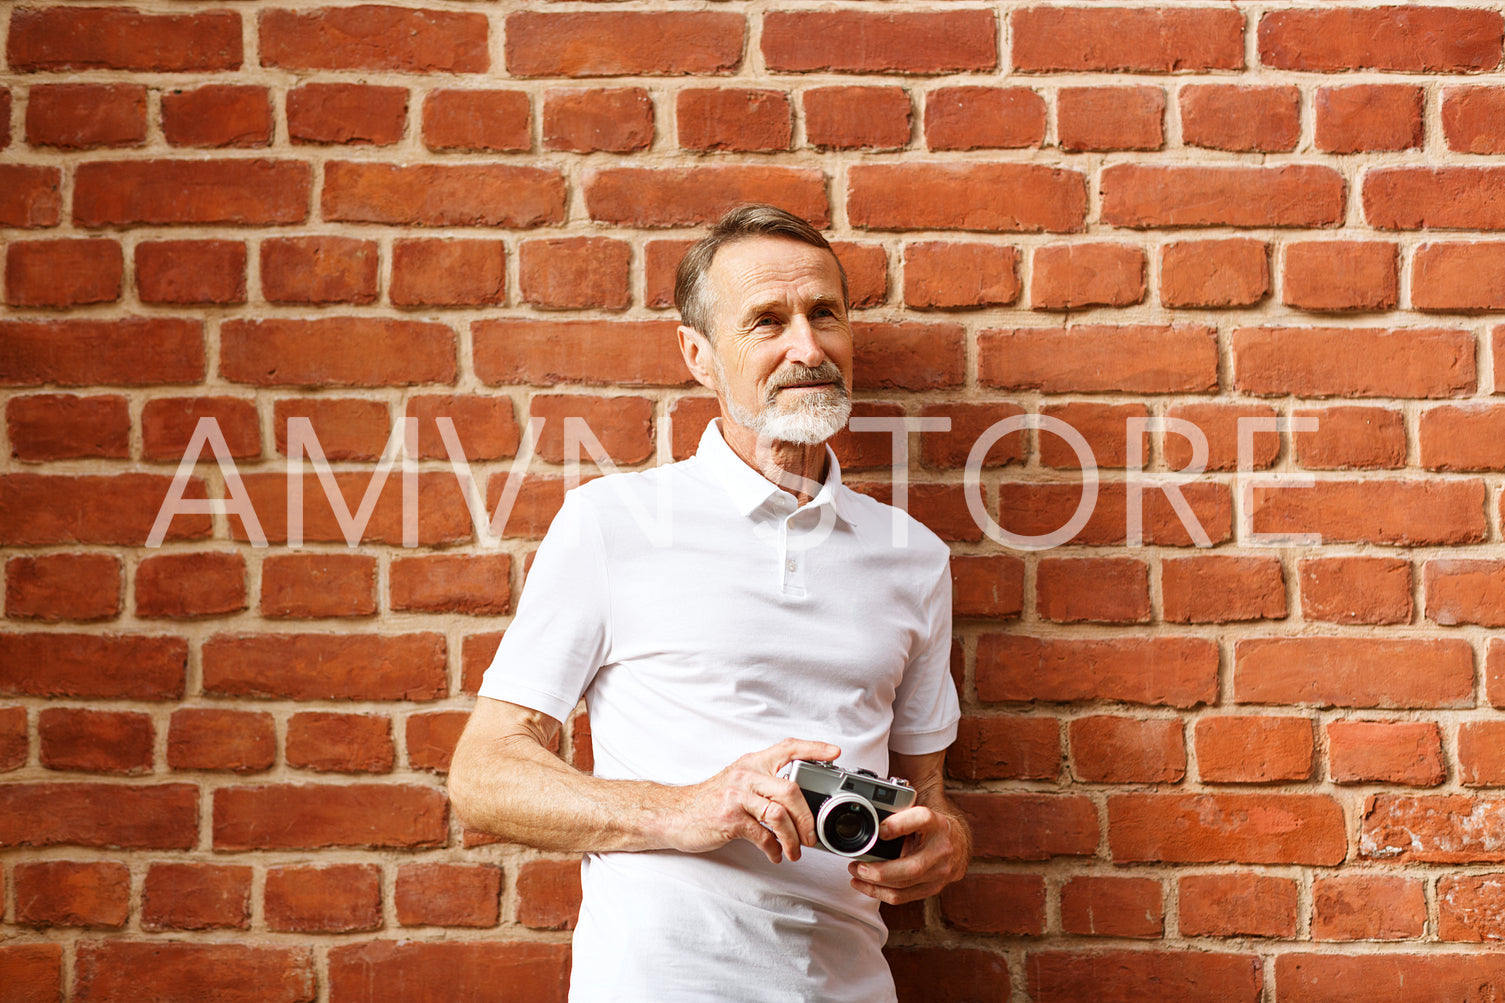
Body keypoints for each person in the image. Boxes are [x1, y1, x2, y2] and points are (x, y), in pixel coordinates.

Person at [447, 203, 971, 1002]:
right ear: (698, 354)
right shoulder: (611, 523)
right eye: (767, 320)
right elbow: (483, 772)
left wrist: (944, 845)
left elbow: (928, 797)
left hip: (850, 986)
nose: (808, 347)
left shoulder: (914, 557)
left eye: (823, 313)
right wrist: (687, 809)